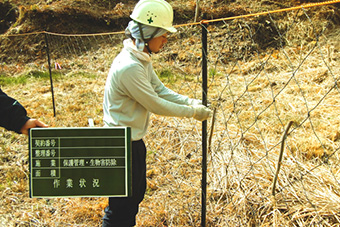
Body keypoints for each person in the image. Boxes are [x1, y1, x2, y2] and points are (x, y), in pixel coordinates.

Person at [102, 0, 212, 226]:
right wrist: (192, 112)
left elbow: (159, 89)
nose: (165, 39)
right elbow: (155, 104)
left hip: (132, 141)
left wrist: (190, 101)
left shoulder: (140, 58)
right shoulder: (129, 67)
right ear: (147, 33)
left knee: (133, 199)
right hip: (120, 146)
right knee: (120, 208)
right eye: (162, 34)